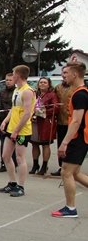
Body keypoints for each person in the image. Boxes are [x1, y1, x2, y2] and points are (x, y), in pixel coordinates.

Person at [52, 62, 88, 218]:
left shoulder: (80, 94)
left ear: (75, 74)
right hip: (80, 137)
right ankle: (70, 207)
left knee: (66, 172)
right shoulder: (81, 92)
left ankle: (70, 208)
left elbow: (76, 121)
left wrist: (64, 143)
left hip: (78, 138)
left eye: (66, 73)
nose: (63, 76)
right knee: (75, 173)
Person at [0, 65, 36, 197]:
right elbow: (14, 109)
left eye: (13, 74)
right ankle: (12, 183)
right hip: (11, 127)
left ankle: (21, 186)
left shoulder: (28, 91)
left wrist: (17, 130)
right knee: (6, 156)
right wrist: (5, 121)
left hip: (22, 130)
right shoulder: (17, 90)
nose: (11, 76)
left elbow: (27, 114)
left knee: (20, 158)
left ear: (18, 75)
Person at [52, 64, 80, 176]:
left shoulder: (76, 88)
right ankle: (61, 166)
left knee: (69, 145)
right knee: (60, 144)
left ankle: (71, 167)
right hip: (60, 120)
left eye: (65, 73)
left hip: (72, 121)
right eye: (62, 73)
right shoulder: (58, 87)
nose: (64, 76)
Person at [29, 77, 58, 176]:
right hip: (34, 122)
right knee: (34, 144)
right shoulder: (35, 94)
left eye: (45, 82)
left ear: (49, 84)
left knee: (45, 144)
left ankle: (44, 166)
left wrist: (42, 111)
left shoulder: (52, 95)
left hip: (46, 123)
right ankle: (35, 164)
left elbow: (56, 108)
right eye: (41, 82)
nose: (42, 84)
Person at [0, 73, 15, 172]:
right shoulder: (2, 92)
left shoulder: (17, 92)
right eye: (6, 80)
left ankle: (14, 162)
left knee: (14, 143)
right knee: (3, 143)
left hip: (14, 121)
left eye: (10, 80)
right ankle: (3, 163)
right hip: (2, 120)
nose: (8, 82)